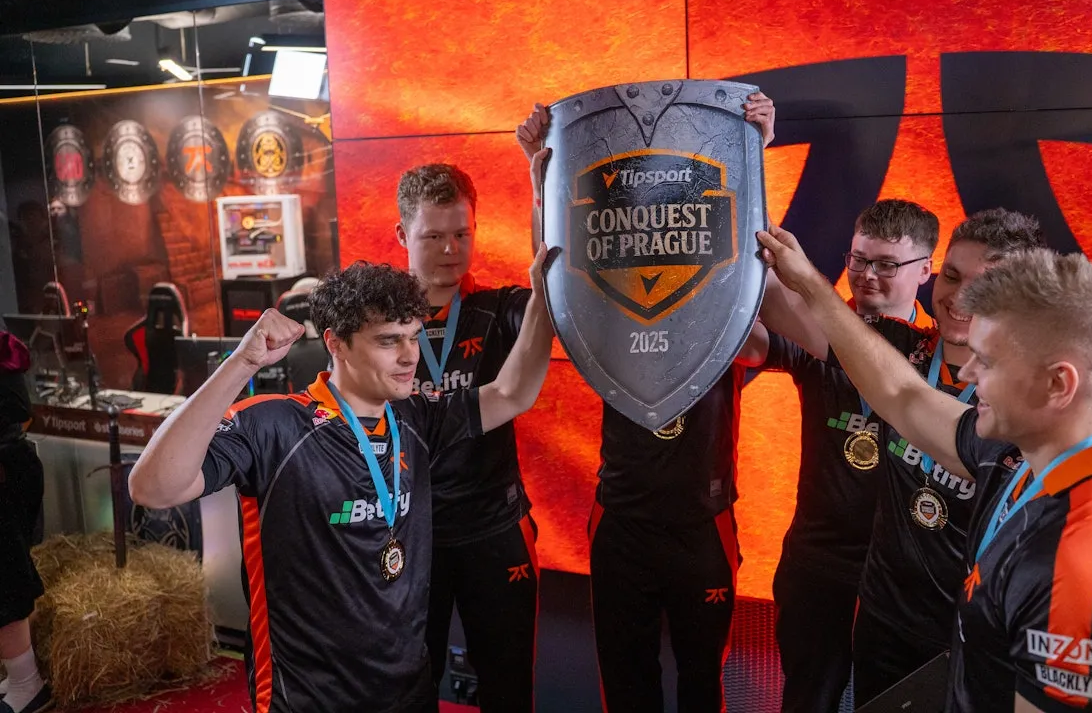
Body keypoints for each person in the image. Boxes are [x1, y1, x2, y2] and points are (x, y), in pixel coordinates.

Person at [757, 227, 1092, 711]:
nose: (967, 373)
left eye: (988, 361)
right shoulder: (1021, 451)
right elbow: (903, 395)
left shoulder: (1090, 573)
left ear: (1057, 384)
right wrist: (809, 283)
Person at [128, 250, 555, 713]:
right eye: (389, 341)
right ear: (336, 343)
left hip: (407, 693)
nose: (410, 356)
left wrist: (546, 299)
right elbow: (153, 488)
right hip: (310, 699)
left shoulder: (415, 416)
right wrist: (240, 365)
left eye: (413, 337)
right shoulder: (275, 426)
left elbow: (512, 393)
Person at [516, 91, 776, 713]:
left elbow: (757, 320)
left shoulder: (727, 315)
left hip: (703, 522)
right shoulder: (609, 304)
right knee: (626, 686)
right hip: (622, 520)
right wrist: (540, 174)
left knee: (702, 687)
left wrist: (753, 150)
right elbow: (555, 274)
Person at [759, 199, 938, 713]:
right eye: (859, 260)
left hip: (905, 574)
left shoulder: (944, 351)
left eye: (887, 264)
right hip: (819, 563)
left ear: (925, 269)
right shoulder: (818, 328)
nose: (867, 276)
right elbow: (759, 320)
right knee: (807, 700)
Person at [394, 162, 541, 711]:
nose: (451, 250)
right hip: (409, 537)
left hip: (494, 531)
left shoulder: (499, 309)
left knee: (509, 691)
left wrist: (541, 183)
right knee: (409, 691)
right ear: (402, 235)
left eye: (462, 233)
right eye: (433, 236)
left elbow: (555, 291)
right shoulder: (378, 325)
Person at [0, 330, 52, 713]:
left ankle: (26, 682)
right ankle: (16, 674)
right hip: (10, 465)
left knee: (5, 580)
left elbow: (17, 412)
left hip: (5, 469)